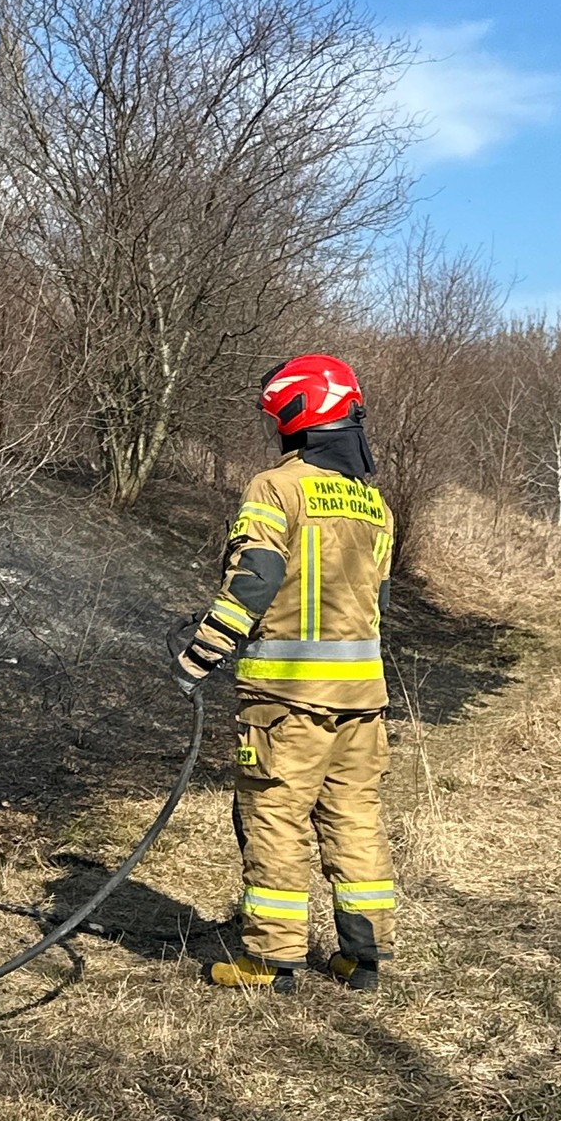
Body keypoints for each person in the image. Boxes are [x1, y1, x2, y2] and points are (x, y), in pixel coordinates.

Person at [172, 354, 397, 993]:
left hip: (288, 700)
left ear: (296, 415)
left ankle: (270, 960)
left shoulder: (276, 487)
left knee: (275, 817)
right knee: (354, 817)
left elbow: (255, 579)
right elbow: (378, 604)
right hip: (364, 699)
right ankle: (362, 957)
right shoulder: (374, 505)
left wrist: (201, 654)